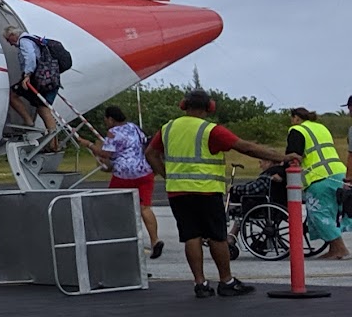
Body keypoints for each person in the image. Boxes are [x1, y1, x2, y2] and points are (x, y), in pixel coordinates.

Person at [146, 90, 285, 297]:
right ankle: (226, 280)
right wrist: (280, 156)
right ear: (209, 107)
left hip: (178, 192)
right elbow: (245, 147)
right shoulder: (210, 130)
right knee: (217, 237)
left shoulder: (168, 128)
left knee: (191, 236)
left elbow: (150, 153)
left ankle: (200, 284)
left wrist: (168, 175)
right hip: (206, 191)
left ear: (184, 105)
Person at [96, 104, 164, 259]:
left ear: (111, 119)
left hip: (124, 173)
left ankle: (115, 237)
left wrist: (91, 146)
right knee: (145, 208)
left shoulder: (113, 132)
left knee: (112, 203)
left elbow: (106, 154)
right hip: (143, 170)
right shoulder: (134, 127)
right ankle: (155, 240)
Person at [284, 106, 349, 261]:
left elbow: (293, 155)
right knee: (333, 213)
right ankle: (334, 248)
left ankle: (340, 248)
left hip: (318, 177)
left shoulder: (297, 130)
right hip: (339, 172)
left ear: (296, 118)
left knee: (319, 214)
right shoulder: (321, 128)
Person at [6, 21, 59, 135]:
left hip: (37, 77)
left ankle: (29, 122)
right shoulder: (33, 38)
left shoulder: (24, 41)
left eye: (8, 40)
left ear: (12, 36)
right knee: (42, 108)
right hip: (48, 77)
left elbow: (30, 57)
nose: (10, 44)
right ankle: (53, 143)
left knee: (14, 96)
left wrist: (27, 75)